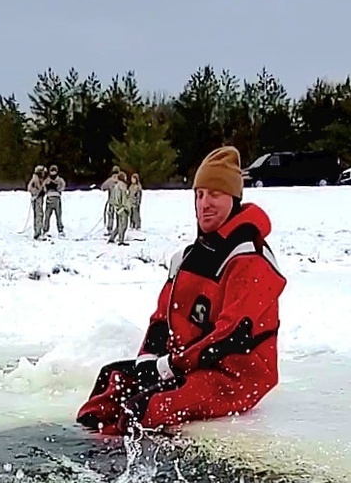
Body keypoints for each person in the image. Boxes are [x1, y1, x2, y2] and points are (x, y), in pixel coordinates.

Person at [78, 145, 284, 435]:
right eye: (199, 195)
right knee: (111, 380)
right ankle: (83, 455)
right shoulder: (186, 257)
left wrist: (168, 368)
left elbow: (229, 336)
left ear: (234, 199)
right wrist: (147, 361)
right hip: (189, 365)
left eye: (215, 194)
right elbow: (162, 318)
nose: (204, 203)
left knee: (144, 408)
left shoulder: (251, 260)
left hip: (234, 376)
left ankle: (116, 468)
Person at [106, 169, 131, 245]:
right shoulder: (122, 186)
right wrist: (125, 207)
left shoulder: (116, 186)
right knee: (123, 225)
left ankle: (112, 238)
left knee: (118, 225)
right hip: (122, 208)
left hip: (117, 208)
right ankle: (121, 240)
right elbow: (123, 198)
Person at [43, 165, 65, 237]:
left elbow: (63, 186)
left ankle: (60, 230)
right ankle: (45, 230)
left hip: (57, 198)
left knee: (58, 215)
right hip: (49, 197)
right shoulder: (47, 180)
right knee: (47, 215)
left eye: (54, 171)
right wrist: (47, 188)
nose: (53, 173)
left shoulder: (59, 180)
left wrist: (57, 188)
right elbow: (44, 187)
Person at [101, 166, 122, 238]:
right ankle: (119, 229)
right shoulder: (121, 179)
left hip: (112, 201)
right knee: (119, 216)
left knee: (111, 215)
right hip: (120, 201)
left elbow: (103, 187)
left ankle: (110, 228)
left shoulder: (110, 180)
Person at [28, 165, 47, 239]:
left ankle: (37, 231)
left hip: (37, 198)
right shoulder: (36, 179)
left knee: (37, 215)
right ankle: (37, 233)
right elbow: (30, 188)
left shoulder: (38, 179)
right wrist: (36, 193)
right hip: (37, 198)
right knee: (38, 215)